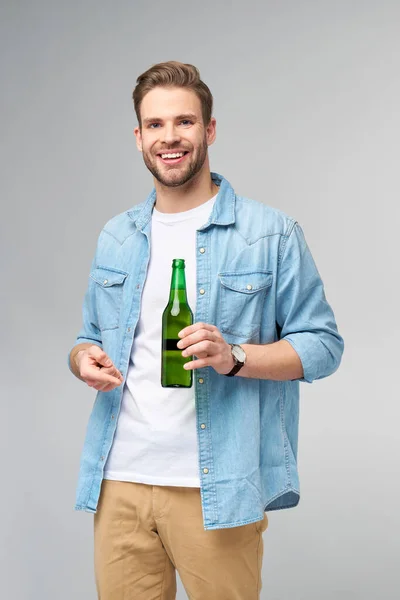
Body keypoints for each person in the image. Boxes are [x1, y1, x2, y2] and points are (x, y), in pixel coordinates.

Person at [68, 61, 344, 600]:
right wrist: (83, 358)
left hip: (215, 487)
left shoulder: (270, 233)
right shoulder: (117, 236)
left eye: (185, 122)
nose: (169, 137)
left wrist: (235, 356)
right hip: (119, 480)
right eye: (155, 125)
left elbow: (324, 345)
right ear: (139, 136)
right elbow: (88, 336)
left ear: (209, 130)